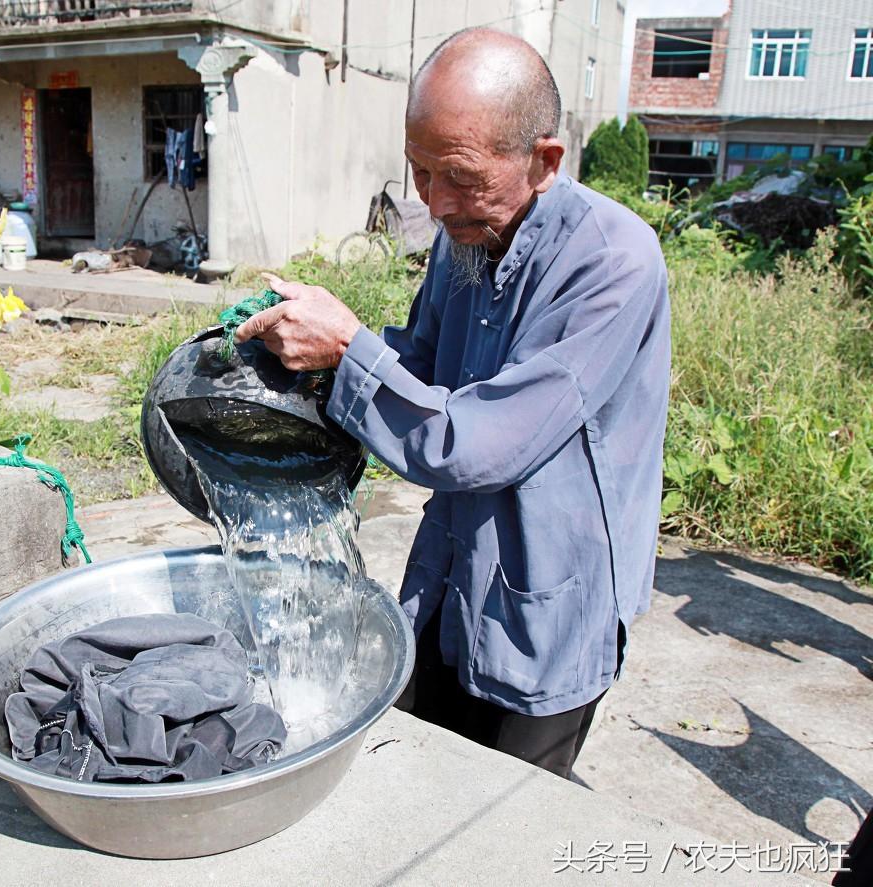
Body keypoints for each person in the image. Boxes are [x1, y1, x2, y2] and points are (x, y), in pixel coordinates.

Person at [235, 28, 671, 779]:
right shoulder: (463, 234)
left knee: (504, 813)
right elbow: (421, 364)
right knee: (414, 774)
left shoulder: (611, 264)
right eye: (420, 172)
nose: (435, 203)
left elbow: (484, 442)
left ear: (544, 161)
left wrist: (349, 353)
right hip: (451, 571)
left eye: (459, 177)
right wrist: (304, 360)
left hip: (550, 605)